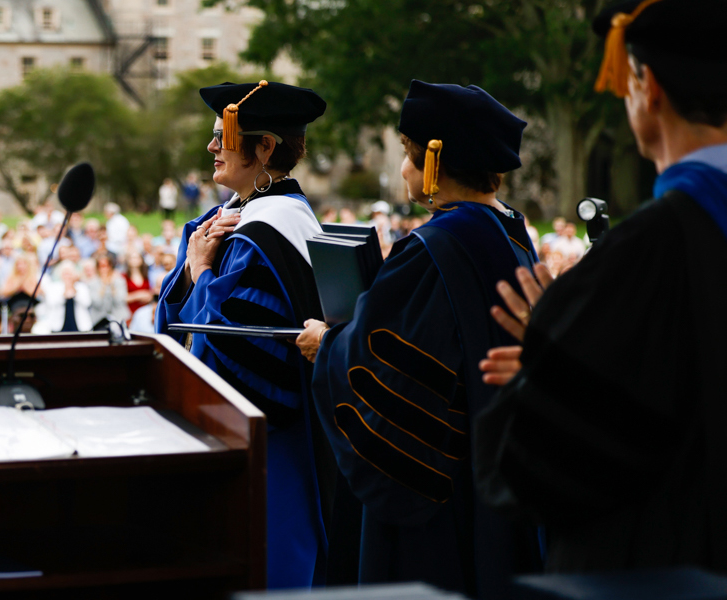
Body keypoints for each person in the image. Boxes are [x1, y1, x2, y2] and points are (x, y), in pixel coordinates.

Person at [474, 0, 727, 575]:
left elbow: (540, 470)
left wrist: (549, 361)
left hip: (671, 566)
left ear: (648, 88)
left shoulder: (648, 249)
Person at [295, 81, 540, 598]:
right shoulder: (514, 237)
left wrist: (330, 345)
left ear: (434, 163)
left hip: (435, 500)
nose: (405, 169)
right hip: (502, 478)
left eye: (408, 155)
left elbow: (384, 371)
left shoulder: (431, 250)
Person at [157, 80, 329, 588]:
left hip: (268, 451)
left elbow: (230, 358)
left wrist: (202, 274)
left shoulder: (260, 233)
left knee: (268, 570)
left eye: (222, 136)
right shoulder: (242, 218)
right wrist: (193, 273)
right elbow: (172, 322)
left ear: (265, 147)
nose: (211, 147)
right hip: (285, 444)